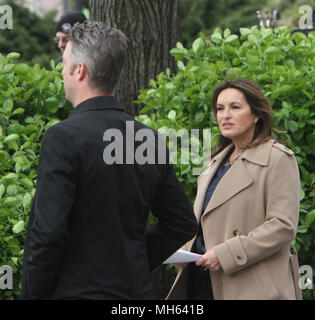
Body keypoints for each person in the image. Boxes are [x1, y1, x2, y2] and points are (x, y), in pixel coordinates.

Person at [21, 21, 197, 300]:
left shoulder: (62, 137)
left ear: (80, 70)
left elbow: (48, 233)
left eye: (65, 64)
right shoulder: (146, 138)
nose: (62, 73)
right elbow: (181, 224)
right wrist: (130, 261)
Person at [167, 78, 302, 300]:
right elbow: (207, 223)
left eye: (235, 107)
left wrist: (226, 254)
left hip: (250, 285)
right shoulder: (214, 162)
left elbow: (282, 226)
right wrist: (186, 250)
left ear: (256, 114)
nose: (225, 115)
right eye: (220, 109)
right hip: (200, 280)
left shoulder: (277, 158)